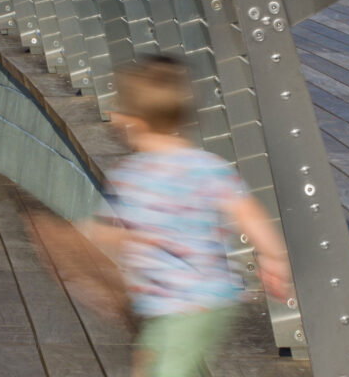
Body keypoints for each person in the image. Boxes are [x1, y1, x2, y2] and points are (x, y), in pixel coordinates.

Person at [84, 55, 292, 377]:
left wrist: (94, 235)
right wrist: (273, 258)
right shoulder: (207, 167)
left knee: (165, 370)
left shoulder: (130, 176)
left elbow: (110, 232)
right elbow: (247, 211)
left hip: (186, 305)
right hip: (199, 300)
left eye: (118, 108)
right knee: (151, 366)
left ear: (133, 122)